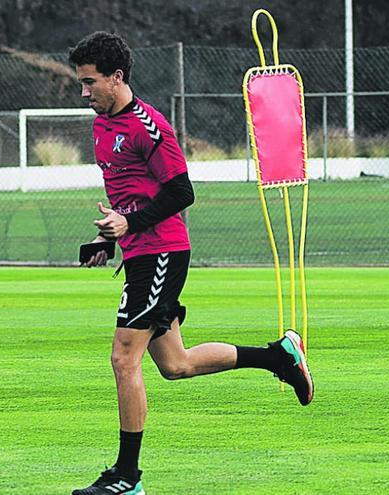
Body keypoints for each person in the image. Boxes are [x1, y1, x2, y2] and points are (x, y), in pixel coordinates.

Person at [67, 31, 314, 495]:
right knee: (175, 365)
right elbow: (131, 200)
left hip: (162, 252)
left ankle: (127, 478)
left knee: (123, 359)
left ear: (116, 78)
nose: (84, 93)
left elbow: (183, 193)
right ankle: (279, 357)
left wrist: (130, 224)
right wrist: (108, 239)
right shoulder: (102, 126)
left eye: (89, 82)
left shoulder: (149, 127)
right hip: (141, 251)